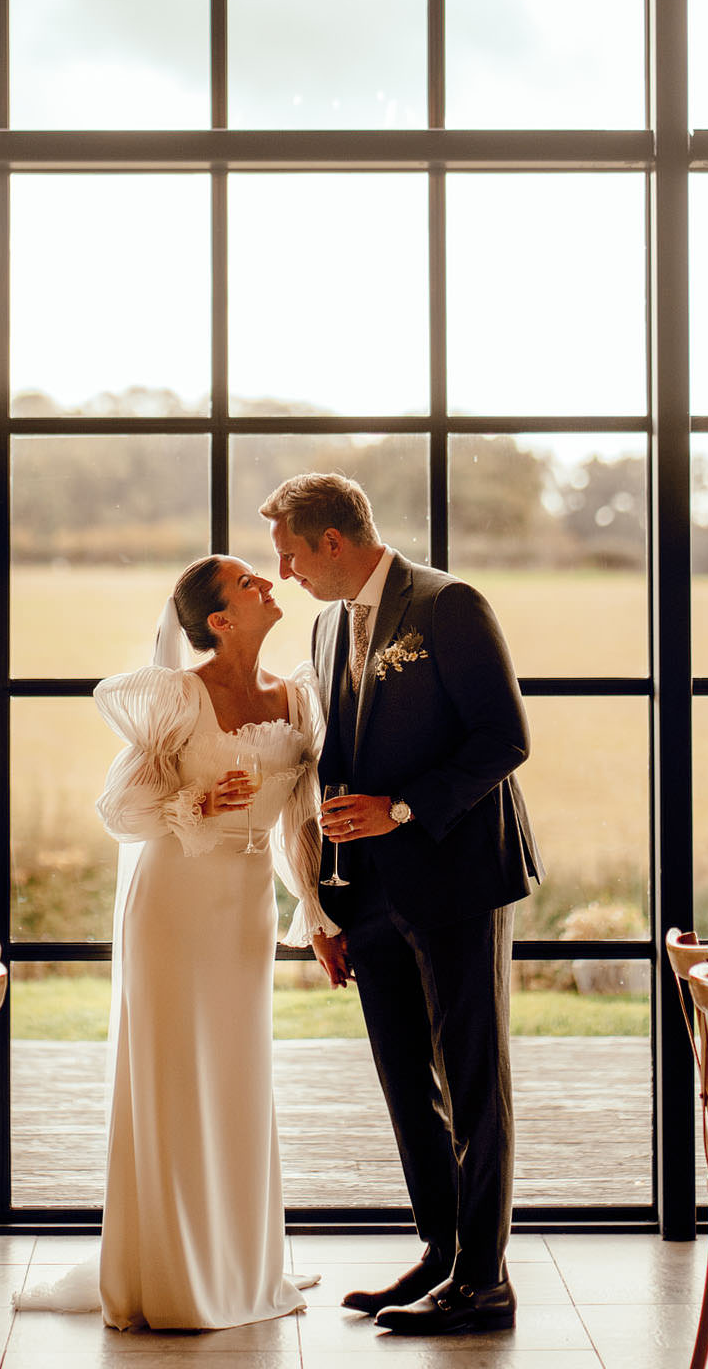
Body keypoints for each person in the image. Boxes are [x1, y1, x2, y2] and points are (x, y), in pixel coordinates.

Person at [14, 553, 334, 1331]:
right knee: (172, 1074)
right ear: (220, 620)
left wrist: (317, 916)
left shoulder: (298, 696)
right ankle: (170, 1273)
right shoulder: (176, 696)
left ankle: (237, 1263)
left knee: (236, 1075)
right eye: (248, 583)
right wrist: (195, 801)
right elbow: (119, 811)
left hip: (245, 908)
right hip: (171, 901)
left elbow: (301, 820)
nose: (267, 584)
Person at [260, 471, 543, 1337]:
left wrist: (406, 808)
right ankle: (439, 1250)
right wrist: (324, 906)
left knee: (471, 1081)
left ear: (332, 542)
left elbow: (504, 738)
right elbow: (335, 765)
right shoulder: (324, 625)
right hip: (367, 894)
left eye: (291, 555)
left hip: (458, 878)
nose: (284, 574)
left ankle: (483, 1281)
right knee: (404, 1083)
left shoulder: (447, 604)